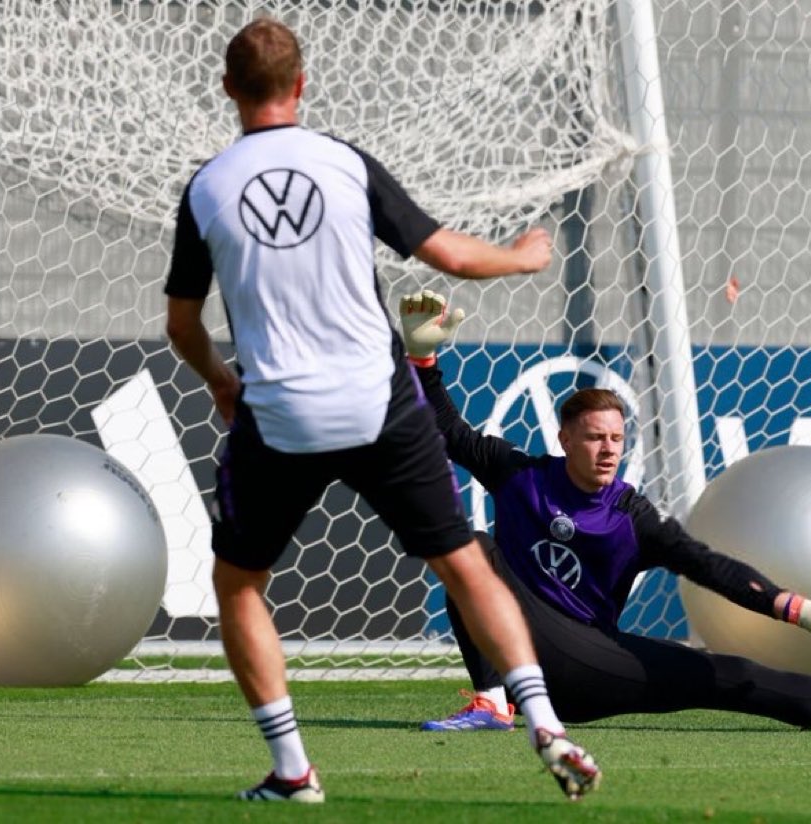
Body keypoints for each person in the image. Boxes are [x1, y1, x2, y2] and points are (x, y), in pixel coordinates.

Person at [164, 18, 599, 803]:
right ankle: (543, 722)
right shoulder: (344, 164)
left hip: (281, 412)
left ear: (228, 89)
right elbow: (452, 258)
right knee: (464, 561)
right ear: (302, 87)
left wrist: (220, 383)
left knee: (237, 585)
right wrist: (525, 257)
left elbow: (181, 325)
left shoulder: (207, 187)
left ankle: (293, 769)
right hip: (379, 402)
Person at [398, 290, 811, 736]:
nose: (608, 450)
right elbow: (446, 430)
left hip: (586, 666)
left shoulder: (632, 516)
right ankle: (492, 702)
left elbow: (707, 566)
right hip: (519, 649)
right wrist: (422, 356)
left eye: (617, 438)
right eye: (595, 437)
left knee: (729, 675)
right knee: (471, 547)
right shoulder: (518, 474)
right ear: (564, 437)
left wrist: (798, 610)